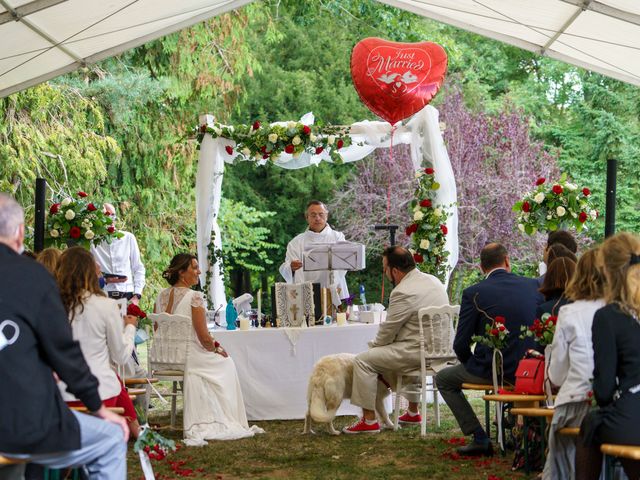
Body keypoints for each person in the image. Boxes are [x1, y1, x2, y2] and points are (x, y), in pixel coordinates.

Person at [0, 193, 128, 477]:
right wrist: (96, 406)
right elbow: (63, 352)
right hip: (22, 423)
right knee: (110, 439)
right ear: (20, 233)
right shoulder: (31, 277)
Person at [436, 242, 543, 456]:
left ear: (481, 267)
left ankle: (479, 436)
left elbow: (460, 344)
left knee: (443, 379)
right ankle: (513, 428)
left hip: (492, 369)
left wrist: (474, 364)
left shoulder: (474, 293)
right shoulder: (534, 286)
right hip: (531, 370)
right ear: (507, 261)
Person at [155, 253, 263, 446]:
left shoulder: (161, 295)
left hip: (165, 356)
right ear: (181, 272)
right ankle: (218, 417)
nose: (198, 271)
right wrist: (217, 348)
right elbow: (204, 337)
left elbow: (157, 329)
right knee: (226, 363)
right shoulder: (194, 297)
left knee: (214, 361)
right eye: (194, 268)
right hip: (188, 357)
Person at [343, 246, 449, 434]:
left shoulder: (403, 291)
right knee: (402, 347)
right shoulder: (434, 281)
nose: (384, 274)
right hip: (443, 351)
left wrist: (373, 348)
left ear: (395, 271)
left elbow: (388, 330)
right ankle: (413, 412)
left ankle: (369, 421)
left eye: (384, 269)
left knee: (362, 361)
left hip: (418, 353)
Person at [56, 246, 141, 439]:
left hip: (59, 393)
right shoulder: (105, 305)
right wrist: (129, 328)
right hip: (100, 393)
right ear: (90, 273)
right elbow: (120, 356)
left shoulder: (50, 304)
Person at [576, 233, 640, 480]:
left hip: (631, 414)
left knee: (590, 424)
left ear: (607, 271)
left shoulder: (608, 317)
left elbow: (603, 391)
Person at [542, 248, 605, 480]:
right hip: (615, 405)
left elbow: (557, 375)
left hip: (576, 400)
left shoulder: (569, 313)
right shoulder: (624, 312)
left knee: (560, 455)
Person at [279, 200, 349, 299]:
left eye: (321, 214)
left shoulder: (338, 237)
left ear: (327, 216)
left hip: (334, 290)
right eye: (313, 215)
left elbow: (345, 262)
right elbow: (286, 267)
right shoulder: (296, 242)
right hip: (307, 292)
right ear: (307, 217)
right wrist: (291, 267)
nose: (317, 218)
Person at [91, 202, 145, 304]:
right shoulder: (91, 241)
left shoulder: (128, 238)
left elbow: (138, 267)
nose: (111, 218)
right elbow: (85, 272)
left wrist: (137, 295)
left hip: (126, 295)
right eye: (106, 215)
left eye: (113, 215)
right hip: (102, 295)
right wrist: (105, 279)